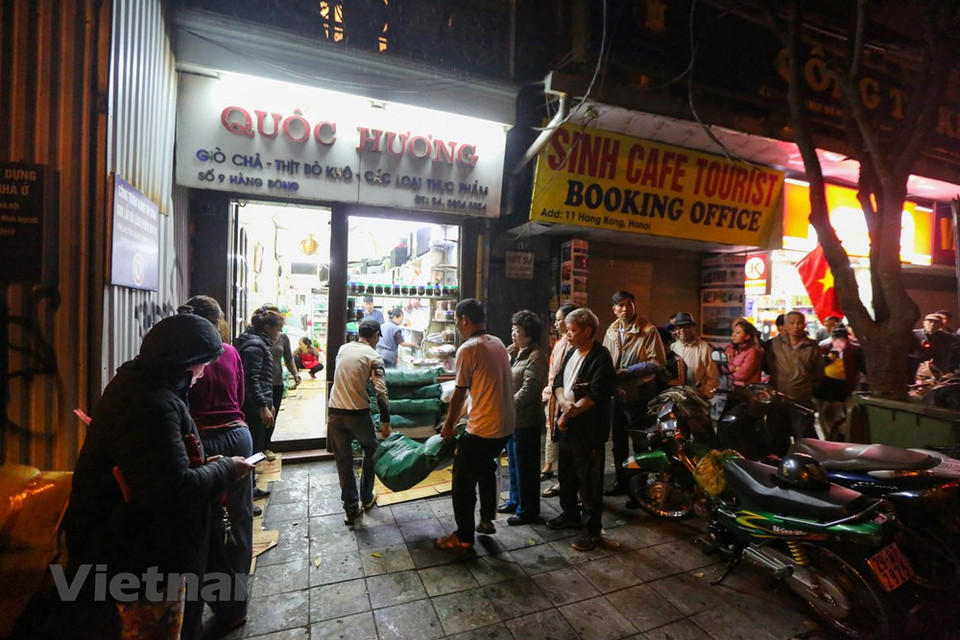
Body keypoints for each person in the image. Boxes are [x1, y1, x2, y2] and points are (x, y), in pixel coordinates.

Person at [61, 314, 254, 640]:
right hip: (138, 555)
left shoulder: (140, 386)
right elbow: (172, 488)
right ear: (184, 361)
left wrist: (205, 465)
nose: (203, 373)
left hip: (137, 548)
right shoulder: (151, 404)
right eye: (201, 365)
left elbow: (163, 468)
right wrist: (225, 469)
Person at [181, 296, 254, 634]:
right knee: (241, 516)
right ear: (218, 321)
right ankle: (238, 592)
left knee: (206, 522)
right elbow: (239, 398)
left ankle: (213, 599)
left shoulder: (182, 355)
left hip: (202, 439)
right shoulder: (230, 352)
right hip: (238, 435)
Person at [435, 299, 515, 552]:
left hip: (485, 428)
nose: (457, 326)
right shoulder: (498, 343)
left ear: (465, 319)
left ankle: (464, 536)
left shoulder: (468, 349)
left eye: (458, 321)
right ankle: (486, 521)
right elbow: (482, 390)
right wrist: (459, 418)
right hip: (506, 426)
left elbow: (459, 393)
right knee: (485, 467)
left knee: (462, 481)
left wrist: (449, 425)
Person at [547, 308, 616, 551]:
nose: (567, 334)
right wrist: (564, 403)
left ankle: (591, 530)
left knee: (589, 481)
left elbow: (597, 394)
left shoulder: (601, 357)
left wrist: (571, 410)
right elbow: (558, 382)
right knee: (566, 474)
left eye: (572, 330)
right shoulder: (571, 352)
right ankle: (569, 515)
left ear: (588, 331)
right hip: (568, 425)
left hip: (588, 430)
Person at [327, 318, 391, 525]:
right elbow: (381, 391)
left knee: (343, 462)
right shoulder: (373, 356)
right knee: (371, 449)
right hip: (358, 414)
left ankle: (350, 509)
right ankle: (366, 496)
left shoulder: (343, 349)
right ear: (375, 336)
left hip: (335, 412)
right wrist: (385, 420)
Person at [601, 290, 665, 496]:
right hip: (616, 395)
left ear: (634, 306)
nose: (625, 308)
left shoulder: (648, 330)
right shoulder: (611, 330)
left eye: (628, 304)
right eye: (620, 305)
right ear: (614, 310)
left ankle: (640, 488)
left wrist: (628, 372)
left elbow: (658, 363)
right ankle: (622, 482)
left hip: (639, 396)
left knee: (641, 443)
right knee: (618, 442)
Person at [499, 310, 548, 525]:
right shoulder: (514, 352)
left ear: (529, 335)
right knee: (513, 464)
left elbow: (529, 389)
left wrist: (510, 406)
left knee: (526, 468)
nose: (513, 334)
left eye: (517, 331)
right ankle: (514, 500)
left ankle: (528, 510)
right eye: (513, 329)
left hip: (526, 421)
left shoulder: (536, 356)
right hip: (512, 420)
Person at [234, 306, 282, 498]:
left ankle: (250, 488)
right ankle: (247, 492)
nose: (279, 334)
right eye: (278, 329)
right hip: (253, 407)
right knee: (252, 448)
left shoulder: (255, 342)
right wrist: (263, 405)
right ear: (268, 328)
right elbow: (251, 380)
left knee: (255, 446)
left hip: (257, 403)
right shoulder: (255, 347)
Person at [763, 310, 824, 454]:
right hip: (778, 400)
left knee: (804, 440)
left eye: (799, 323)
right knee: (777, 438)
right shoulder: (774, 344)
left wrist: (807, 389)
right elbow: (767, 367)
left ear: (804, 325)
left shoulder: (812, 346)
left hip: (801, 401)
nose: (796, 326)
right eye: (792, 323)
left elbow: (818, 374)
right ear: (786, 326)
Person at [541, 304, 578, 498]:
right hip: (554, 398)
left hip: (569, 402)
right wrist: (549, 392)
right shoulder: (559, 343)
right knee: (552, 433)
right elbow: (552, 372)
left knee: (569, 444)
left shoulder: (579, 346)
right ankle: (554, 472)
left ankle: (571, 486)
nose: (556, 323)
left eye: (559, 319)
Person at [262, 304, 300, 457]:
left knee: (273, 416)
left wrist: (295, 374)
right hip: (262, 383)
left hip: (277, 382)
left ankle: (265, 446)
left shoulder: (283, 337)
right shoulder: (261, 337)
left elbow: (289, 358)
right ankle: (257, 448)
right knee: (261, 416)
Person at [814, 327, 865, 441]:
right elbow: (817, 365)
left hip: (841, 387)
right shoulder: (824, 348)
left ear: (846, 339)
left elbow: (862, 367)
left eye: (841, 339)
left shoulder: (854, 350)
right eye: (835, 339)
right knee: (822, 413)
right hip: (822, 385)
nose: (838, 342)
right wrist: (828, 358)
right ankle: (829, 437)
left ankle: (840, 437)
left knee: (829, 412)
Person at [670, 312, 720, 398]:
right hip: (675, 395)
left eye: (686, 326)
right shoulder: (673, 347)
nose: (682, 330)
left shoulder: (704, 348)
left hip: (696, 396)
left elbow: (713, 376)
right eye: (679, 327)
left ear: (692, 328)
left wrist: (706, 394)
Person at [910, 312, 960, 379]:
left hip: (939, 371)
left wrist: (952, 371)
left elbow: (955, 352)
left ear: (941, 325)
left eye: (936, 322)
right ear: (924, 323)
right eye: (930, 321)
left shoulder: (947, 337)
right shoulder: (913, 335)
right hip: (916, 371)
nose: (932, 324)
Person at [724, 319, 764, 386]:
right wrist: (734, 368)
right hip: (731, 387)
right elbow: (723, 367)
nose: (734, 335)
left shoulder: (752, 351)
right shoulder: (730, 349)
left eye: (738, 333)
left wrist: (728, 375)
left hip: (747, 390)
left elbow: (743, 374)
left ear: (747, 336)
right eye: (733, 332)